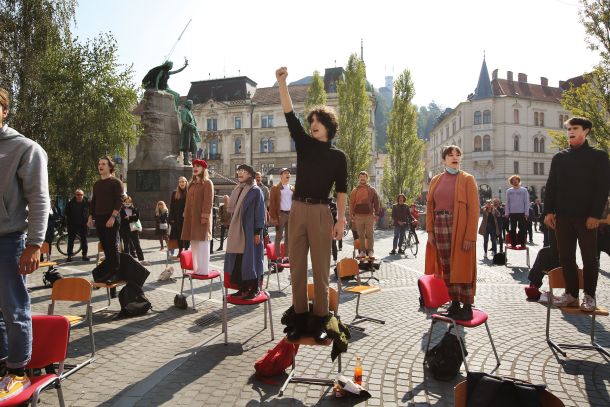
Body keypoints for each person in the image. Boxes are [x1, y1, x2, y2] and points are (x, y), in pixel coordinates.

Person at [277, 67, 347, 343]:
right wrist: (282, 83)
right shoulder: (304, 144)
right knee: (296, 267)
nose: (312, 124)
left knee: (320, 270)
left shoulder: (338, 157)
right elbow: (289, 115)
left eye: (317, 120)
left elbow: (341, 191)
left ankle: (319, 320)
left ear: (328, 125)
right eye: (311, 121)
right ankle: (299, 318)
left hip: (321, 212)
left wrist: (340, 220)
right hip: (297, 209)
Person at [0, 87, 49, 400]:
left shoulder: (24, 148)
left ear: (4, 110)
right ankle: (3, 362)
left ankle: (19, 370)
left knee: (14, 308)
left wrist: (34, 244)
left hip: (11, 241)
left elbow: (40, 199)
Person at [544, 116, 610, 311]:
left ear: (586, 131)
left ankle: (589, 296)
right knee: (565, 257)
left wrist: (595, 215)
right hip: (562, 217)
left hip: (586, 218)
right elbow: (551, 187)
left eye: (574, 128)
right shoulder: (559, 157)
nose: (570, 132)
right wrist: (548, 211)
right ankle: (571, 294)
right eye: (568, 129)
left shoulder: (598, 156)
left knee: (589, 258)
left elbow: (602, 188)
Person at [425, 145, 479, 320]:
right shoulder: (435, 180)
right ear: (444, 160)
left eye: (458, 154)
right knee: (446, 265)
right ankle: (454, 303)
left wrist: (470, 236)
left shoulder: (468, 179)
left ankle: (467, 305)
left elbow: (474, 210)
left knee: (463, 265)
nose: (455, 157)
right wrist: (430, 231)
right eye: (450, 154)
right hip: (440, 224)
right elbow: (430, 206)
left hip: (460, 226)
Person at [224, 164, 265, 299]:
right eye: (239, 171)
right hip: (238, 231)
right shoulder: (238, 189)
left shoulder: (255, 190)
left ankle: (254, 288)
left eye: (243, 171)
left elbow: (260, 212)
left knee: (251, 260)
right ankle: (242, 288)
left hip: (250, 231)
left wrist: (257, 231)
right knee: (239, 260)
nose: (240, 173)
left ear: (250, 175)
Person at [87, 156, 124, 278]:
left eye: (103, 164)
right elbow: (94, 201)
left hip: (111, 218)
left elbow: (119, 201)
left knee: (112, 246)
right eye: (99, 164)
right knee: (105, 246)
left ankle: (116, 272)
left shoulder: (116, 182)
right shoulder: (96, 184)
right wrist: (90, 217)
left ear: (110, 167)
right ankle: (109, 271)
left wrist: (113, 217)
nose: (100, 166)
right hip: (99, 218)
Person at [181, 159, 214, 275]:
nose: (195, 168)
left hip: (201, 219)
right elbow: (187, 202)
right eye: (194, 166)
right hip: (191, 218)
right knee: (194, 243)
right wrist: (186, 213)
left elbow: (208, 202)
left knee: (203, 243)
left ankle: (203, 270)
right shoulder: (191, 184)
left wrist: (204, 217)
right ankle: (196, 269)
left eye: (198, 166)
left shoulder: (207, 183)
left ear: (203, 169)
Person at [349, 171, 380, 259]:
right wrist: (351, 215)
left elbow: (377, 202)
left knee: (370, 234)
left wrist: (377, 213)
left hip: (369, 215)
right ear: (358, 178)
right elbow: (351, 204)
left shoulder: (372, 189)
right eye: (361, 176)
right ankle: (362, 251)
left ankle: (370, 251)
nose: (362, 178)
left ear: (367, 178)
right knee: (360, 235)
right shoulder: (354, 191)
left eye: (364, 176)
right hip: (358, 216)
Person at [525, 229, 559, 301]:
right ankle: (534, 285)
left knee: (543, 252)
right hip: (560, 263)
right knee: (544, 252)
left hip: (563, 265)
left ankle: (534, 285)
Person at [269, 168, 293, 262]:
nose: (288, 175)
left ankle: (287, 257)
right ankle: (278, 257)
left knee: (288, 237)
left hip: (290, 214)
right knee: (279, 236)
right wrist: (273, 217)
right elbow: (272, 204)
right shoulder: (275, 188)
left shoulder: (292, 188)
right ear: (281, 175)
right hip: (281, 214)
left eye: (289, 173)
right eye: (286, 173)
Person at [64, 189, 89, 262]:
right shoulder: (70, 203)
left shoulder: (86, 203)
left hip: (83, 224)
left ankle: (85, 255)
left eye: (81, 195)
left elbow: (90, 213)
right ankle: (69, 256)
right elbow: (66, 213)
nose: (79, 196)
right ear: (75, 195)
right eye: (78, 194)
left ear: (83, 195)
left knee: (84, 240)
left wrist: (90, 220)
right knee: (71, 240)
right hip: (72, 224)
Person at [505, 175, 529, 249]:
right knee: (512, 229)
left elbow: (526, 202)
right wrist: (507, 213)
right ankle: (513, 243)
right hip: (512, 213)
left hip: (522, 213)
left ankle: (522, 243)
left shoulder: (524, 190)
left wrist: (526, 213)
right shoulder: (509, 191)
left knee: (522, 229)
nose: (515, 181)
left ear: (519, 181)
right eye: (513, 180)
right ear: (511, 182)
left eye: (516, 180)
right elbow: (507, 202)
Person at [119, 196, 144, 262]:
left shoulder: (135, 209)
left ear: (131, 202)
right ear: (123, 202)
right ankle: (126, 261)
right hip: (124, 229)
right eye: (126, 202)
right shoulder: (120, 210)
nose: (127, 203)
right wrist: (131, 218)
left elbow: (136, 218)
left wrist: (129, 217)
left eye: (129, 202)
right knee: (126, 245)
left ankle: (141, 259)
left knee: (137, 244)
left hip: (133, 229)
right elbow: (121, 220)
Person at [169, 177, 190, 256]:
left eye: (183, 181)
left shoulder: (189, 192)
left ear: (186, 182)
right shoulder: (175, 193)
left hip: (187, 218)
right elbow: (172, 206)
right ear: (178, 183)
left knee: (187, 235)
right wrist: (171, 218)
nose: (182, 183)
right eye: (180, 182)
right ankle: (180, 250)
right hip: (177, 218)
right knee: (179, 235)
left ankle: (187, 250)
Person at [179, 100, 201, 165]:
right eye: (191, 104)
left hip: (192, 131)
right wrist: (191, 125)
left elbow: (193, 121)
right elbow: (183, 121)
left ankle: (194, 161)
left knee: (194, 146)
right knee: (186, 146)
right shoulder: (184, 111)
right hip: (186, 130)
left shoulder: (190, 111)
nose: (192, 106)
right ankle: (186, 161)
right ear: (187, 104)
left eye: (192, 104)